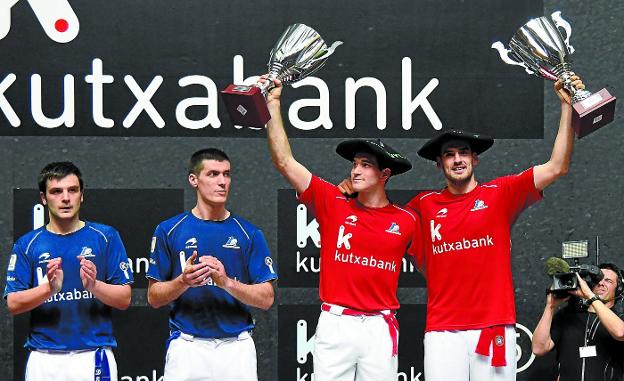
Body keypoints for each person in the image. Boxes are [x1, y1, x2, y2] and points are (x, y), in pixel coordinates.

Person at [338, 76, 586, 380]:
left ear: (475, 159)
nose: (457, 160)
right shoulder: (423, 205)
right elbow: (381, 223)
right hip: (443, 331)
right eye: (449, 155)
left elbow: (557, 166)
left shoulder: (501, 193)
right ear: (439, 164)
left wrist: (566, 106)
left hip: (493, 326)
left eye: (463, 153)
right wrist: (351, 195)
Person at [262, 76, 421, 381]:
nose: (356, 170)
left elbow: (440, 262)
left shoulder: (406, 220)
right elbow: (284, 162)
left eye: (366, 165)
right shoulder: (333, 201)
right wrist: (274, 103)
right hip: (336, 324)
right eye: (355, 164)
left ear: (385, 173)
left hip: (379, 327)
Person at [146, 148, 277, 381]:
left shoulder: (248, 233)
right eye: (213, 174)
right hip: (188, 348)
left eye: (226, 175)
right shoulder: (169, 230)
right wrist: (183, 281)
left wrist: (226, 283)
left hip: (237, 349)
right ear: (193, 180)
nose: (222, 182)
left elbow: (266, 298)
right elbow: (154, 297)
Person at [4, 161, 133, 381]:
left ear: (81, 195)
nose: (65, 198)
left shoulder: (105, 236)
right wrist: (49, 289)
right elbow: (14, 304)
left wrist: (94, 285)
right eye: (56, 191)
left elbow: (124, 299)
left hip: (93, 356)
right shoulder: (27, 244)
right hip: (44, 360)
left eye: (72, 190)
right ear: (43, 199)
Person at [532, 264, 624, 381]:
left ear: (618, 289)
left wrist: (590, 296)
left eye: (608, 281)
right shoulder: (567, 316)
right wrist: (550, 307)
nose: (601, 283)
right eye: (598, 279)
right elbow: (538, 349)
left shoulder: (619, 318)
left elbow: (620, 333)